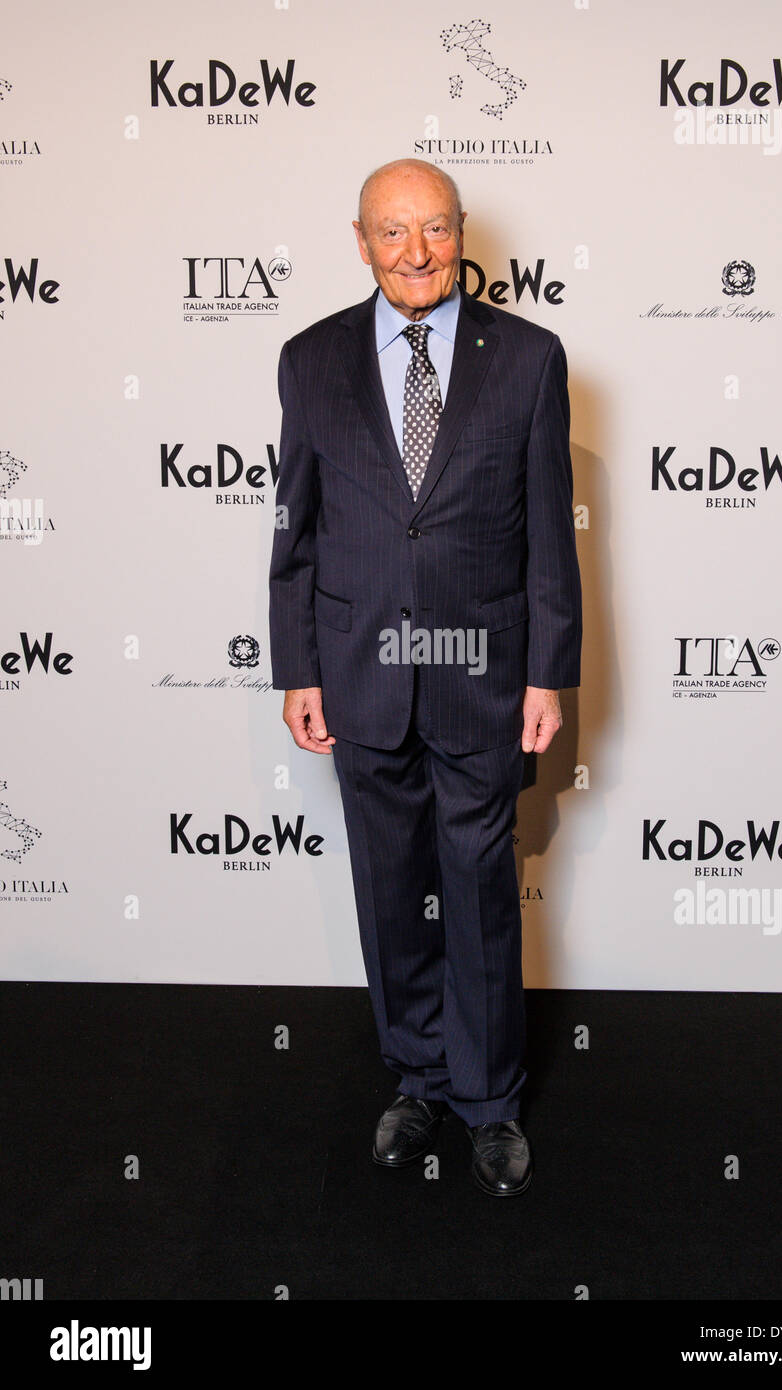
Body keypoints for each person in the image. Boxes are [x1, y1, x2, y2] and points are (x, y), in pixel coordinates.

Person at [269, 158, 581, 1196]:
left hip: (482, 676)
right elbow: (297, 532)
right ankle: (416, 1077)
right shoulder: (308, 359)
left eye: (434, 229)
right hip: (360, 674)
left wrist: (546, 671)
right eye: (392, 232)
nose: (415, 252)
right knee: (388, 889)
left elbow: (549, 534)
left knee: (481, 889)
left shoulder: (528, 357)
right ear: (359, 240)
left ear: (460, 234)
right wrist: (297, 664)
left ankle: (489, 1099)